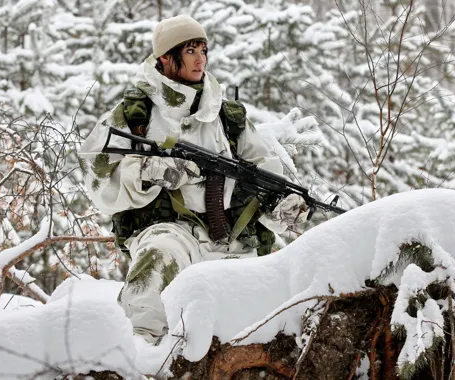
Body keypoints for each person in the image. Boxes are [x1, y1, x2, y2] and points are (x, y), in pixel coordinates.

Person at [78, 14, 308, 344]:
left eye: (204, 49)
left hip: (230, 236)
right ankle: (137, 352)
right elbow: (95, 177)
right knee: (158, 259)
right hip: (167, 230)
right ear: (165, 58)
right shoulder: (135, 113)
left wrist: (280, 208)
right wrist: (146, 172)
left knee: (271, 302)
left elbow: (265, 171)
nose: (200, 58)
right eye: (190, 50)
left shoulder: (225, 115)